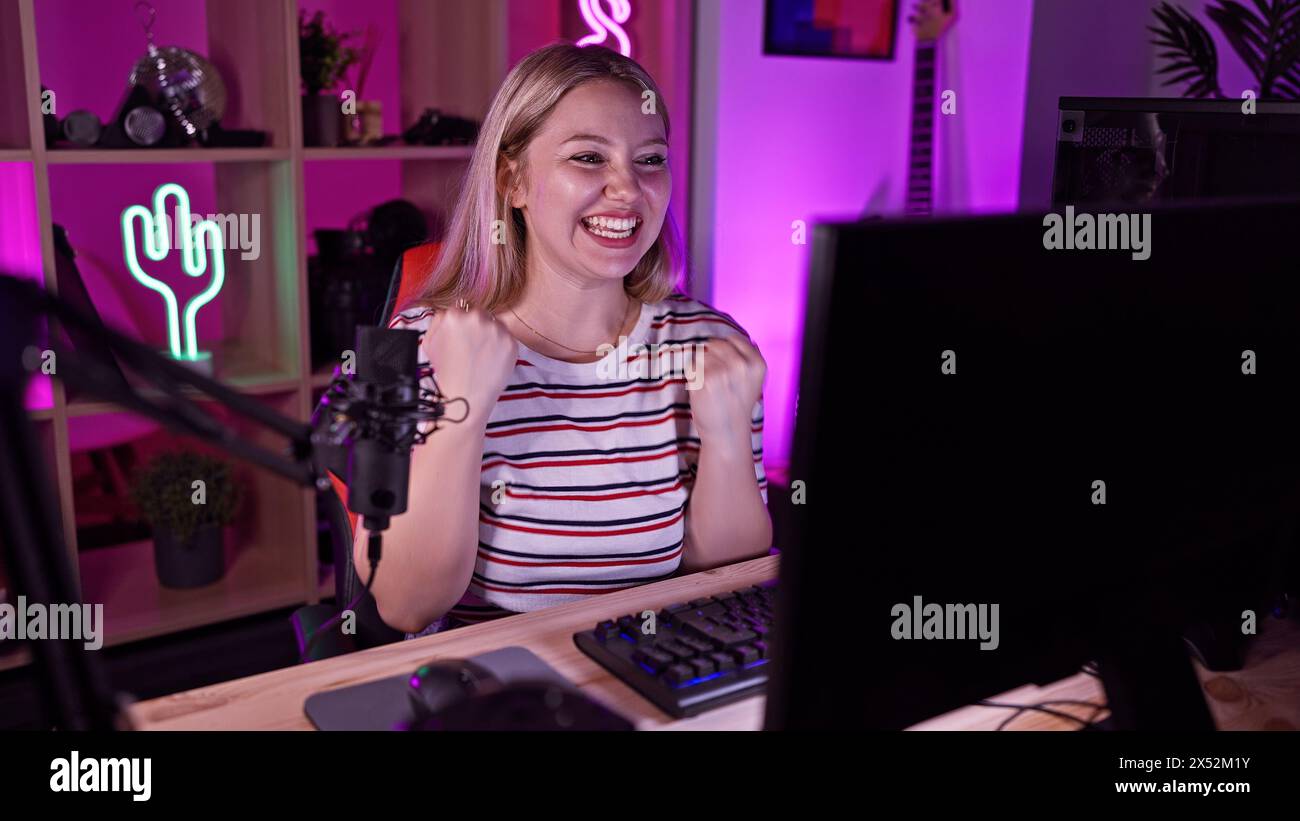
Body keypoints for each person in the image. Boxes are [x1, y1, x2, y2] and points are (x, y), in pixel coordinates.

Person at [354, 44, 771, 636]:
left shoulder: (710, 342)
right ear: (513, 179)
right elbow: (405, 605)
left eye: (650, 160)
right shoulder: (413, 346)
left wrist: (726, 440)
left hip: (650, 681)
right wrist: (461, 415)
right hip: (495, 698)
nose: (628, 189)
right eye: (587, 158)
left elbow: (728, 588)